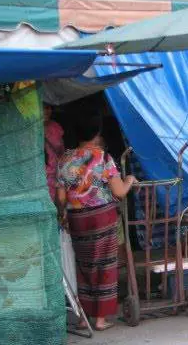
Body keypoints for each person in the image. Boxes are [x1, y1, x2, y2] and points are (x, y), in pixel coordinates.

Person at [56, 113, 136, 331]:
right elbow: (119, 192)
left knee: (83, 266)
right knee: (104, 266)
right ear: (97, 132)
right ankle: (100, 319)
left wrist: (63, 213)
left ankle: (84, 318)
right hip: (102, 217)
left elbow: (61, 198)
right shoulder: (103, 158)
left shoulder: (65, 159)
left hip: (77, 219)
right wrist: (129, 180)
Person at [43, 103, 64, 204]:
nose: (47, 111)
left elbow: (62, 151)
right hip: (39, 178)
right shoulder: (27, 130)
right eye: (42, 108)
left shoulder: (55, 127)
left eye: (48, 107)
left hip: (55, 175)